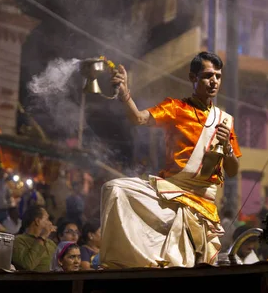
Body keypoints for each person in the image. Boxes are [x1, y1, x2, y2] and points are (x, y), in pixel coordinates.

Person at [100, 51, 242, 268]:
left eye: (218, 76)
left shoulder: (225, 121)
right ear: (192, 78)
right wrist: (125, 94)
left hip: (202, 204)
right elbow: (138, 118)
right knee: (114, 189)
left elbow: (232, 171)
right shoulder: (176, 108)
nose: (214, 81)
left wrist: (228, 148)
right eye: (207, 75)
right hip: (170, 193)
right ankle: (121, 264)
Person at [12, 205, 57, 271]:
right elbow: (28, 266)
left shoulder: (50, 243)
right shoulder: (18, 241)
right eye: (47, 219)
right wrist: (42, 237)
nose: (50, 223)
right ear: (37, 221)